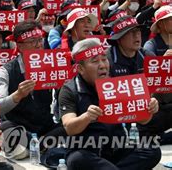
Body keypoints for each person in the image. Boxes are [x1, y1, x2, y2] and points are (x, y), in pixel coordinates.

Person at [59, 38, 161, 170]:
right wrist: (87, 117)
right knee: (77, 160)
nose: (102, 65)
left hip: (116, 148)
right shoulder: (69, 89)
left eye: (104, 59)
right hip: (87, 152)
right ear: (80, 68)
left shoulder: (118, 84)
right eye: (95, 61)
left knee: (152, 150)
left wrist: (150, 108)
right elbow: (69, 127)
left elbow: (144, 120)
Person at [0, 21, 64, 160]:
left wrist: (65, 85)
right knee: (7, 130)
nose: (39, 45)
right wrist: (17, 95)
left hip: (46, 126)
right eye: (32, 41)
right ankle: (42, 146)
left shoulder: (53, 65)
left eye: (40, 40)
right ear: (19, 46)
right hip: (20, 126)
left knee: (71, 127)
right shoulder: (5, 71)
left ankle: (41, 145)